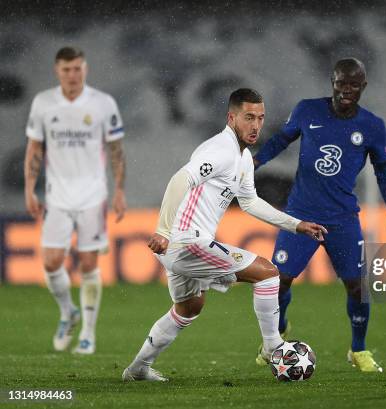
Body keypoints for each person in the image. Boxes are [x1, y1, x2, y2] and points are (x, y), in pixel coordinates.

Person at [122, 88, 327, 382]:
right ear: (232, 118)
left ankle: (137, 369)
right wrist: (163, 231)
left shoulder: (242, 159)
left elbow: (250, 202)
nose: (256, 125)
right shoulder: (220, 151)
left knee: (189, 308)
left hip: (182, 247)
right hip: (188, 242)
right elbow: (180, 179)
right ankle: (273, 347)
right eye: (248, 117)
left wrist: (296, 224)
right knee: (268, 273)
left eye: (260, 117)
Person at [254, 58, 386, 372]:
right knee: (279, 282)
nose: (346, 90)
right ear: (332, 82)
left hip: (342, 219)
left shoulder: (372, 126)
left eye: (353, 85)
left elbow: (384, 172)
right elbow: (280, 141)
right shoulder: (307, 110)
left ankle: (358, 350)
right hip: (300, 216)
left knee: (357, 286)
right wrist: (253, 163)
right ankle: (277, 335)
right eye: (341, 83)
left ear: (363, 86)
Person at [24, 46, 127, 355]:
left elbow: (116, 151)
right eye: (67, 69)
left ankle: (88, 335)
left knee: (89, 264)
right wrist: (30, 189)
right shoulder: (43, 103)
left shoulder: (102, 103)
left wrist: (119, 190)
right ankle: (69, 312)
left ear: (86, 69)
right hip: (56, 197)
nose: (72, 75)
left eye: (77, 68)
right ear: (58, 71)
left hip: (93, 196)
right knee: (51, 261)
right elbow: (34, 149)